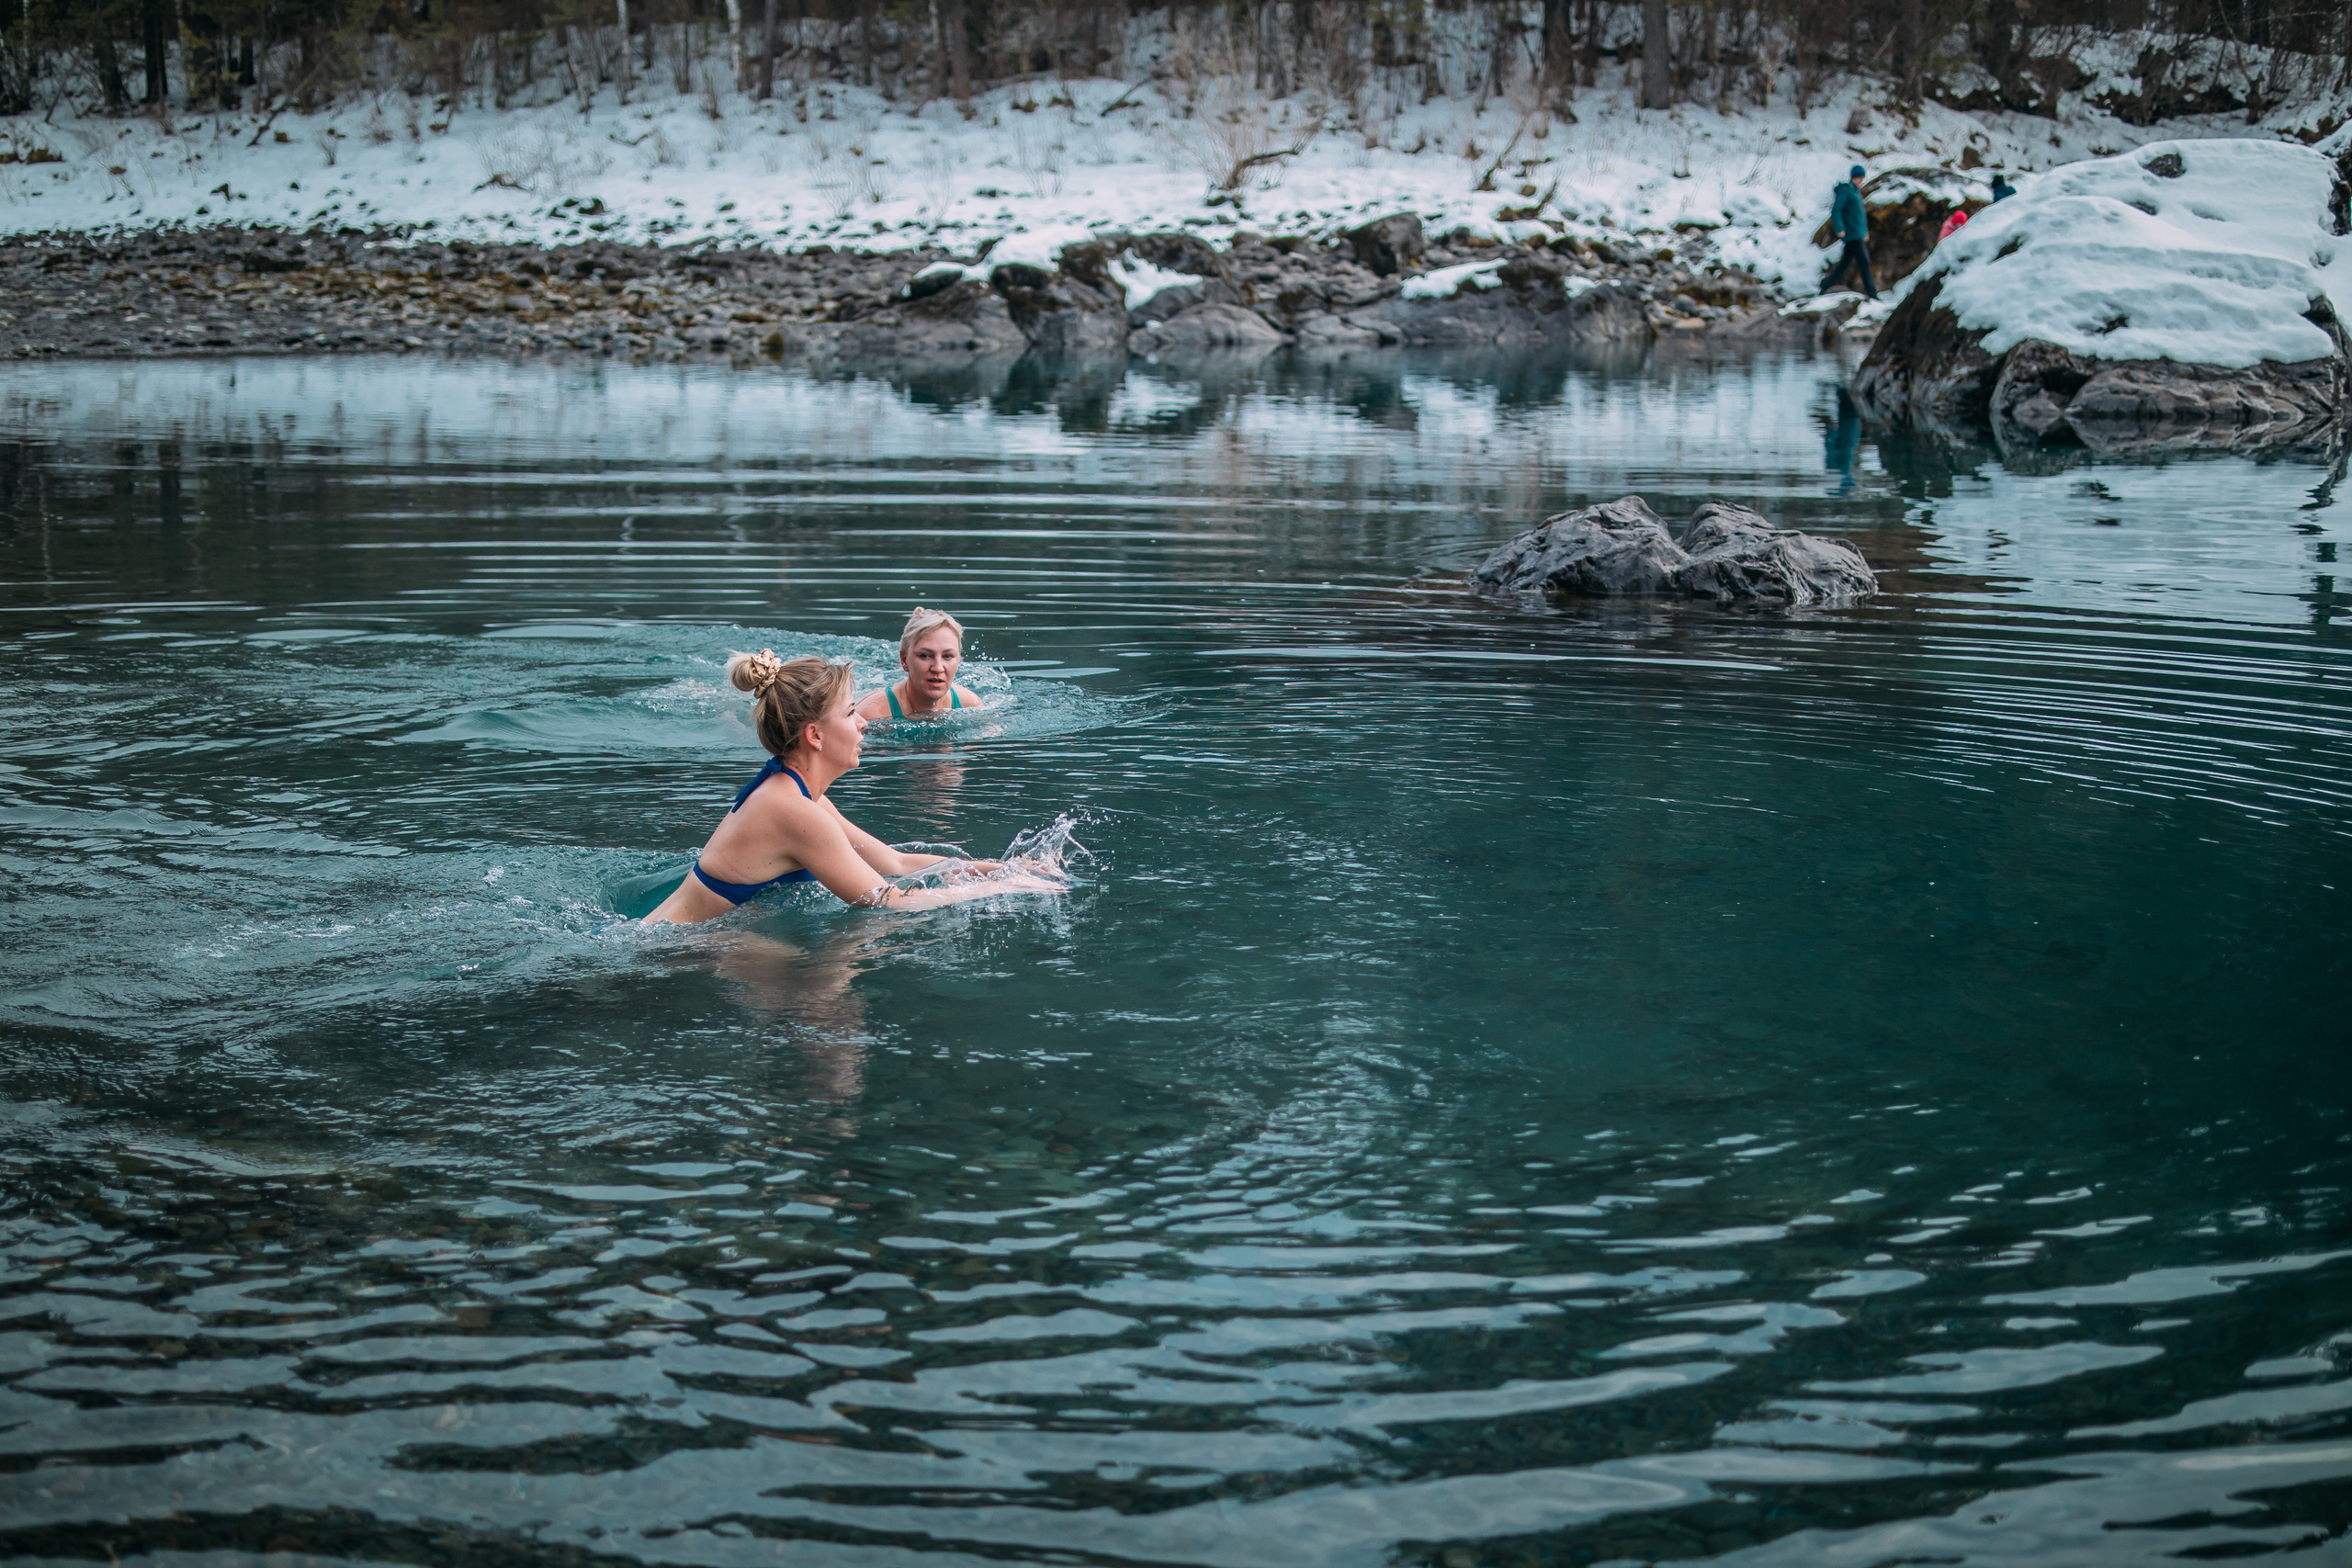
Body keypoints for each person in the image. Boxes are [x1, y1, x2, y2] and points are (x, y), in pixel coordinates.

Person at [642, 650, 1058, 925]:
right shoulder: (793, 811)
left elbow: (894, 863)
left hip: (692, 944)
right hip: (658, 957)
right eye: (849, 713)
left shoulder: (802, 798)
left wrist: (1010, 868)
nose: (863, 723)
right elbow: (887, 902)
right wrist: (1005, 889)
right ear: (815, 736)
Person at [858, 605, 983, 723]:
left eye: (947, 656)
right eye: (925, 656)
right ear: (904, 659)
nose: (938, 668)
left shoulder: (970, 706)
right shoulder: (871, 715)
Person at [1823, 164, 1878, 300]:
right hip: (1852, 234)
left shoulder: (1855, 193)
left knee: (1844, 264)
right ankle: (1872, 294)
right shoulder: (1846, 192)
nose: (1862, 180)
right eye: (1860, 177)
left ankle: (1825, 285)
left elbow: (1859, 215)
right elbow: (1836, 210)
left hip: (1858, 233)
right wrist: (1840, 228)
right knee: (1864, 262)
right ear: (1855, 177)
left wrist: (1864, 232)